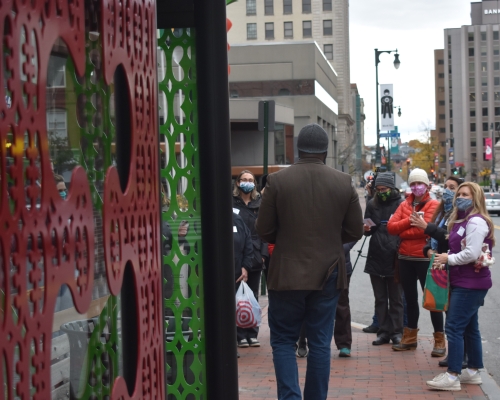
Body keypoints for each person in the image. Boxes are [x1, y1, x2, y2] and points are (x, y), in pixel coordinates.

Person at [256, 123, 363, 400]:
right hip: (328, 273)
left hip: (286, 273)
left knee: (282, 340)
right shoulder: (343, 182)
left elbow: (264, 229)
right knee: (319, 343)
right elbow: (354, 230)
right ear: (326, 151)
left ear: (297, 149)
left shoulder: (278, 181)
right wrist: (330, 238)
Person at [426, 182, 494, 391]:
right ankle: (473, 371)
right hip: (465, 280)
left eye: (466, 194)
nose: (460, 197)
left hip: (470, 283)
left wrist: (448, 258)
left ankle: (453, 375)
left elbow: (472, 254)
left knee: (454, 327)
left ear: (476, 199)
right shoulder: (462, 220)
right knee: (470, 327)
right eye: (459, 194)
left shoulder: (475, 222)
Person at [387, 168, 444, 354]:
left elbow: (424, 230)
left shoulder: (433, 204)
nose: (416, 187)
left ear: (426, 185)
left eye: (419, 183)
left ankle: (439, 340)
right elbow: (391, 227)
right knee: (409, 299)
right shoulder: (404, 205)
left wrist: (406, 228)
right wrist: (409, 222)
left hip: (424, 259)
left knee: (432, 299)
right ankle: (410, 338)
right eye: (413, 184)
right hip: (404, 258)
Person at [411, 176, 464, 364]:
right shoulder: (441, 212)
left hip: (454, 267)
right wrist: (428, 250)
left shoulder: (461, 213)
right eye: (446, 187)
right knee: (439, 306)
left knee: (455, 315)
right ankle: (454, 352)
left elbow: (451, 238)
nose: (448, 190)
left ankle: (461, 356)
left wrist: (428, 227)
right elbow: (431, 239)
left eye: (453, 187)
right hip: (438, 267)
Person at [295, 241, 357, 359]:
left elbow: (354, 232)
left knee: (341, 305)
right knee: (308, 304)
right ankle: (304, 342)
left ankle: (344, 344)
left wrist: (339, 248)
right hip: (312, 264)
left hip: (340, 264)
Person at [363, 172, 404, 346]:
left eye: (384, 189)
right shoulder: (373, 203)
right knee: (380, 298)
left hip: (395, 256)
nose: (381, 192)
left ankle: (397, 332)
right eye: (378, 189)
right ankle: (383, 332)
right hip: (376, 254)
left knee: (396, 299)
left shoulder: (402, 204)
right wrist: (366, 228)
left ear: (392, 188)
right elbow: (369, 226)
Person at [233, 170, 269, 348]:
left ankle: (252, 333)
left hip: (255, 255)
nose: (247, 182)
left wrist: (263, 255)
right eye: (244, 180)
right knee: (237, 297)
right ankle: (239, 334)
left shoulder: (260, 204)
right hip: (236, 255)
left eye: (250, 180)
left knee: (252, 295)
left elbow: (265, 231)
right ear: (238, 183)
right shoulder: (231, 203)